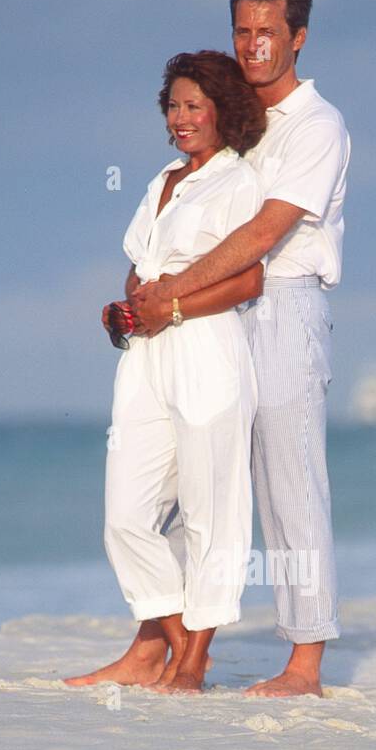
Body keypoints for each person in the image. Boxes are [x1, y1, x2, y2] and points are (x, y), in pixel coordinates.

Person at [130, 0, 350, 697]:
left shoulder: (317, 126)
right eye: (242, 31)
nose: (253, 45)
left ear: (298, 38)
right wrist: (154, 289)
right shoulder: (232, 117)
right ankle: (157, 644)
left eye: (268, 32)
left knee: (289, 484)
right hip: (210, 312)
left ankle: (305, 664)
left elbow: (263, 232)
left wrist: (172, 292)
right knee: (178, 480)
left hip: (283, 308)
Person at [65, 51, 266, 694]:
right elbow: (139, 262)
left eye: (194, 106)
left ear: (222, 112)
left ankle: (192, 663)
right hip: (146, 355)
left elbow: (249, 278)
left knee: (211, 510)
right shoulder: (162, 181)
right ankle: (176, 642)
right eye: (173, 106)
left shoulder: (241, 180)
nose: (181, 118)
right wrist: (129, 306)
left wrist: (173, 305)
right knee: (125, 514)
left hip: (206, 347)